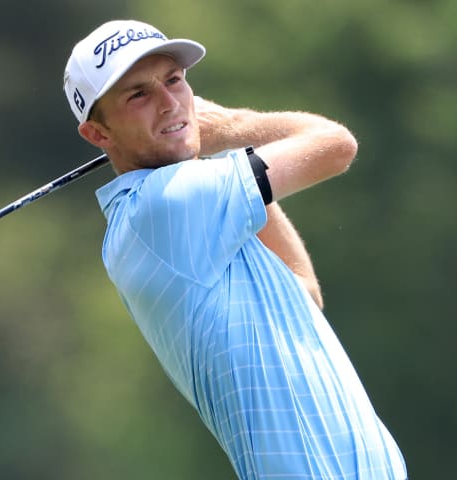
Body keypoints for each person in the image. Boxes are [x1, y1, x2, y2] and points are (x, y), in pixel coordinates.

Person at [63, 19, 407, 479]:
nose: (169, 103)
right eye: (138, 95)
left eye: (174, 81)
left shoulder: (190, 214)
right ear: (98, 135)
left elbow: (303, 290)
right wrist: (230, 127)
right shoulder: (165, 206)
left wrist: (201, 146)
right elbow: (335, 145)